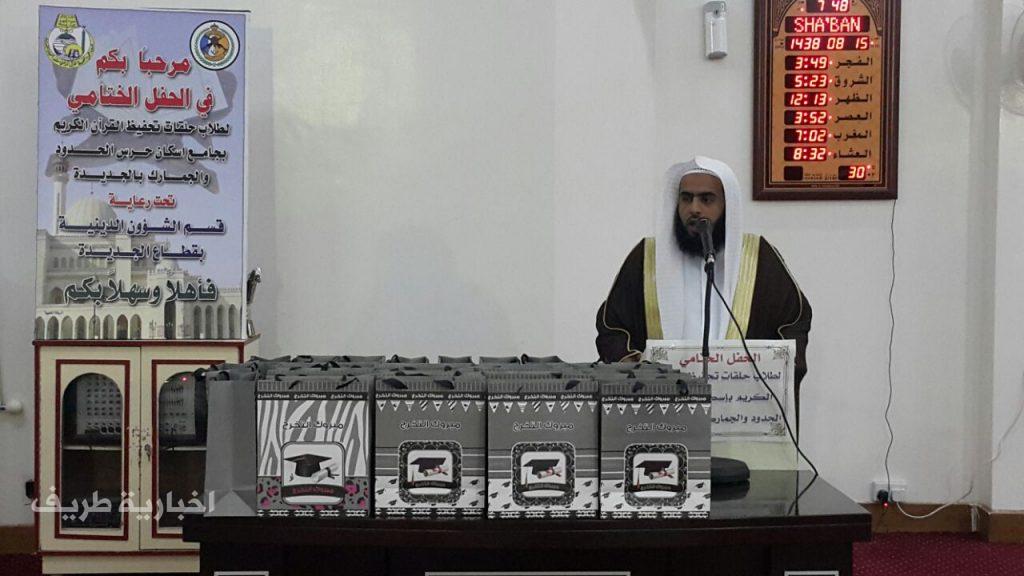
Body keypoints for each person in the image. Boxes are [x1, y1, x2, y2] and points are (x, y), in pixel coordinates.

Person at [595, 156, 812, 388]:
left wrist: (778, 367)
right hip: (661, 399)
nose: (694, 209)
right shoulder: (647, 257)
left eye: (706, 199)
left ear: (727, 206)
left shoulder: (758, 257)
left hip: (739, 397)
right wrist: (632, 367)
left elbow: (794, 322)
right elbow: (613, 328)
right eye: (686, 198)